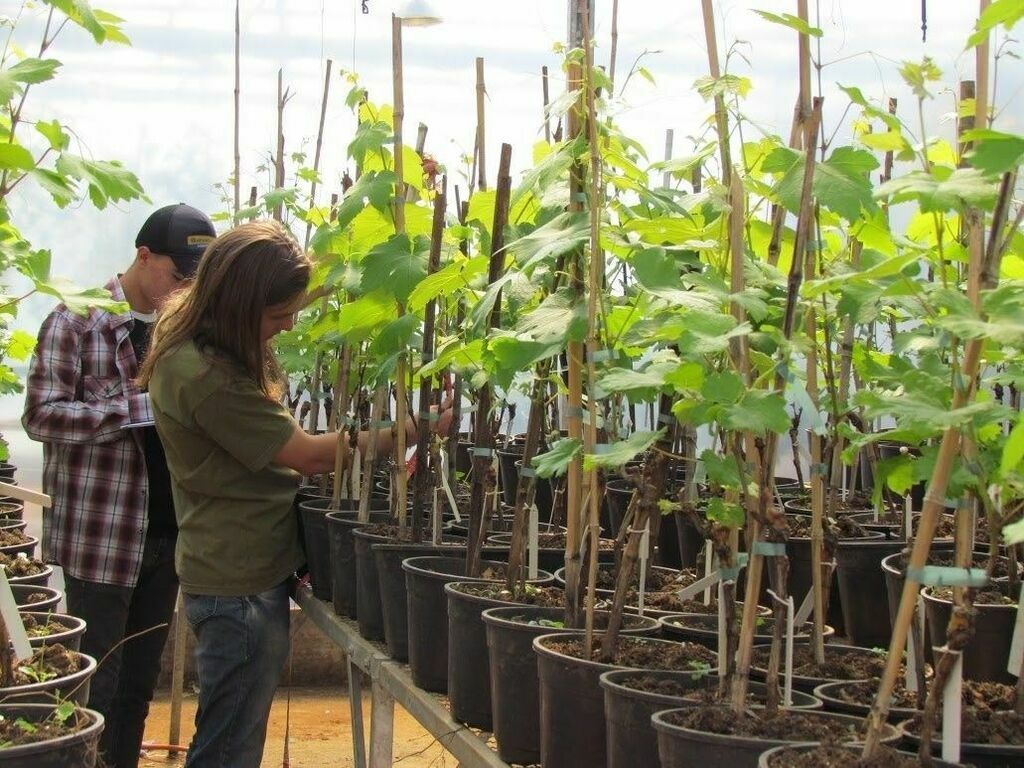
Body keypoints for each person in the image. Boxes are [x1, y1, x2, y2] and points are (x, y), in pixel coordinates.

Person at [137, 219, 451, 768]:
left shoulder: (198, 346)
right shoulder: (204, 375)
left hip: (238, 569)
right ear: (239, 304)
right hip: (238, 587)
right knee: (228, 746)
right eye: (279, 315)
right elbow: (307, 455)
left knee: (229, 731)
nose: (287, 326)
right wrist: (413, 429)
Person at [23, 203, 218, 768]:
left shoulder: (189, 332)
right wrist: (135, 409)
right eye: (178, 276)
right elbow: (40, 415)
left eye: (194, 282)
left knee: (137, 690)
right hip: (102, 540)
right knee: (96, 690)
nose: (184, 290)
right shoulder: (74, 321)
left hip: (168, 537)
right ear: (143, 256)